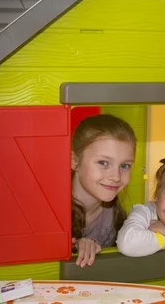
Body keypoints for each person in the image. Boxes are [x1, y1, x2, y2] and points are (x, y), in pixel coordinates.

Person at [71, 113, 137, 268]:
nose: (115, 176)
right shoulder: (49, 212)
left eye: (125, 166)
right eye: (103, 163)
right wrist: (73, 249)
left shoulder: (112, 215)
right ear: (75, 162)